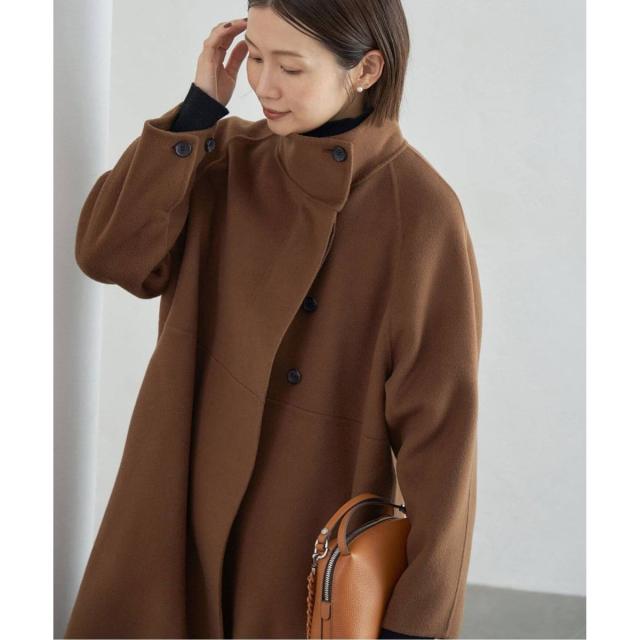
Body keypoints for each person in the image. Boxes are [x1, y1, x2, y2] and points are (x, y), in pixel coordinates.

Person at [64, 2, 482, 639]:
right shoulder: (223, 158)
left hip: (307, 526)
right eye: (255, 57)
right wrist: (199, 109)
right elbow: (110, 255)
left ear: (366, 69)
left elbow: (442, 431)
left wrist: (418, 618)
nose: (263, 84)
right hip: (177, 496)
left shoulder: (420, 211)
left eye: (290, 67)